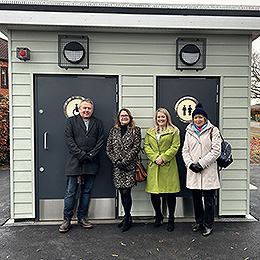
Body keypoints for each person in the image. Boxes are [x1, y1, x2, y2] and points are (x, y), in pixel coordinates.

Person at [59, 98, 105, 233]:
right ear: (79, 109)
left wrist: (90, 155)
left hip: (91, 163)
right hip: (74, 162)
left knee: (86, 192)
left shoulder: (98, 123)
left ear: (92, 110)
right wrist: (81, 154)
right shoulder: (71, 122)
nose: (86, 110)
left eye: (89, 108)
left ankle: (82, 218)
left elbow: (100, 141)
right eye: (84, 108)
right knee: (70, 192)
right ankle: (66, 219)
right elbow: (69, 140)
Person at [182, 103, 221, 236]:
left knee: (209, 200)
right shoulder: (189, 131)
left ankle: (208, 224)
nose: (198, 120)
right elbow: (185, 151)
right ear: (193, 119)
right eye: (196, 117)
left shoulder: (213, 130)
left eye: (200, 117)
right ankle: (199, 222)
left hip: (208, 170)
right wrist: (190, 164)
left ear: (205, 118)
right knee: (196, 199)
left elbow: (216, 151)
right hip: (193, 171)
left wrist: (201, 163)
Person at [143, 108, 180, 232]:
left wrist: (163, 158)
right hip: (154, 166)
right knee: (154, 193)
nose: (160, 119)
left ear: (167, 118)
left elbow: (175, 147)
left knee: (170, 193)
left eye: (163, 117)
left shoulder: (174, 131)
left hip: (168, 165)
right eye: (158, 117)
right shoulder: (150, 132)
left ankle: (171, 218)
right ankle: (158, 216)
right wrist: (155, 158)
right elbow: (146, 146)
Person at [106, 108, 141, 232]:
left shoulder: (135, 130)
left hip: (129, 167)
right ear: (118, 118)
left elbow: (136, 147)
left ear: (130, 118)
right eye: (122, 116)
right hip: (117, 167)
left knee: (126, 192)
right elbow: (108, 148)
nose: (124, 117)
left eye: (126, 116)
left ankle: (127, 218)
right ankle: (128, 216)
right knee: (121, 192)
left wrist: (124, 161)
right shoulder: (113, 131)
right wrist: (116, 161)